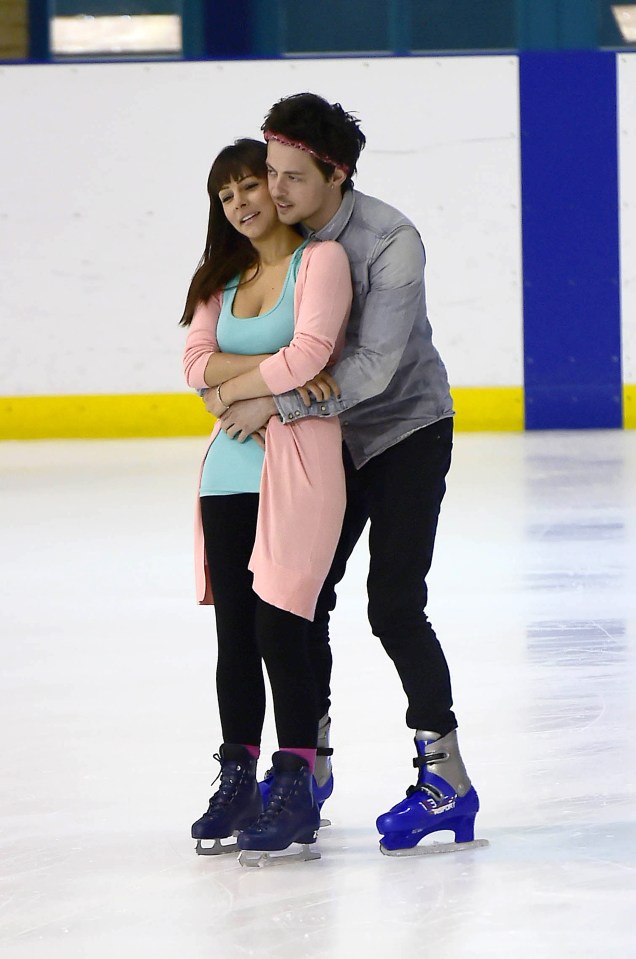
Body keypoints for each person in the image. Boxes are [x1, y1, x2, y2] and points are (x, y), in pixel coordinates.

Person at [210, 95, 485, 856]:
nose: (276, 190)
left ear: (336, 173)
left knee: (394, 603)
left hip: (404, 431)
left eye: (294, 177)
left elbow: (371, 368)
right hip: (319, 439)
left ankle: (447, 776)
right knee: (299, 598)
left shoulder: (390, 239)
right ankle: (309, 767)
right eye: (271, 174)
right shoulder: (278, 239)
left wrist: (269, 399)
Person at [181, 138, 352, 865]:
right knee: (237, 642)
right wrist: (256, 383)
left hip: (300, 472)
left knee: (285, 629)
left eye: (249, 186)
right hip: (226, 476)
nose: (242, 203)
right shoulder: (216, 280)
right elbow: (193, 367)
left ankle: (297, 783)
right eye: (226, 196)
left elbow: (311, 353)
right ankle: (239, 779)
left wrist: (235, 388)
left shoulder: (321, 262)